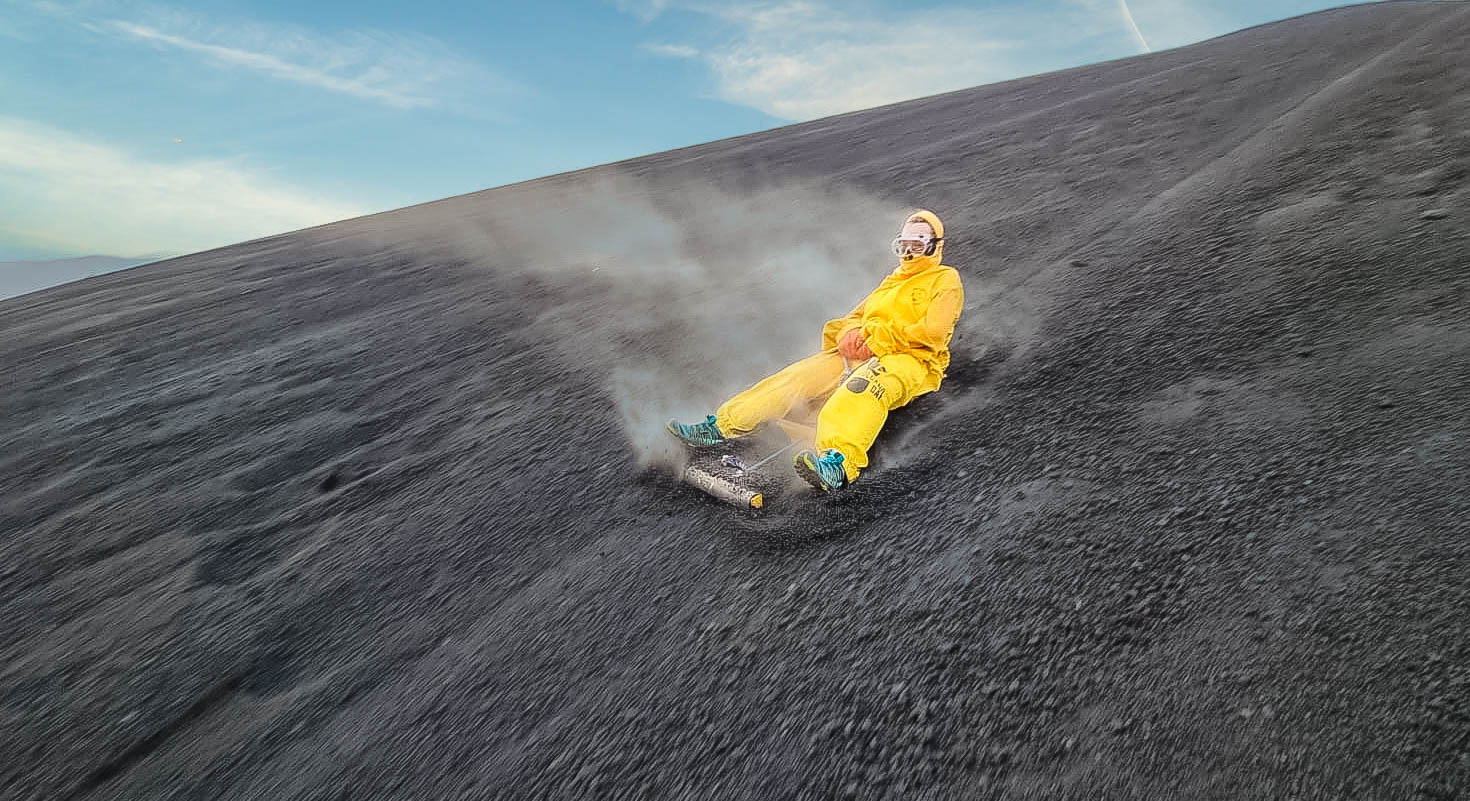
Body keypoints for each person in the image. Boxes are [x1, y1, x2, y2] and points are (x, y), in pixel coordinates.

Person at [667, 209, 964, 492]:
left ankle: (837, 464)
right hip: (861, 351)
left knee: (860, 389)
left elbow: (933, 332)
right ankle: (721, 427)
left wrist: (876, 339)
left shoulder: (945, 280)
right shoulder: (892, 281)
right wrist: (848, 335)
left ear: (934, 246)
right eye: (904, 244)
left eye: (918, 243)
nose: (909, 251)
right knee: (797, 377)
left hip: (910, 359)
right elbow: (855, 316)